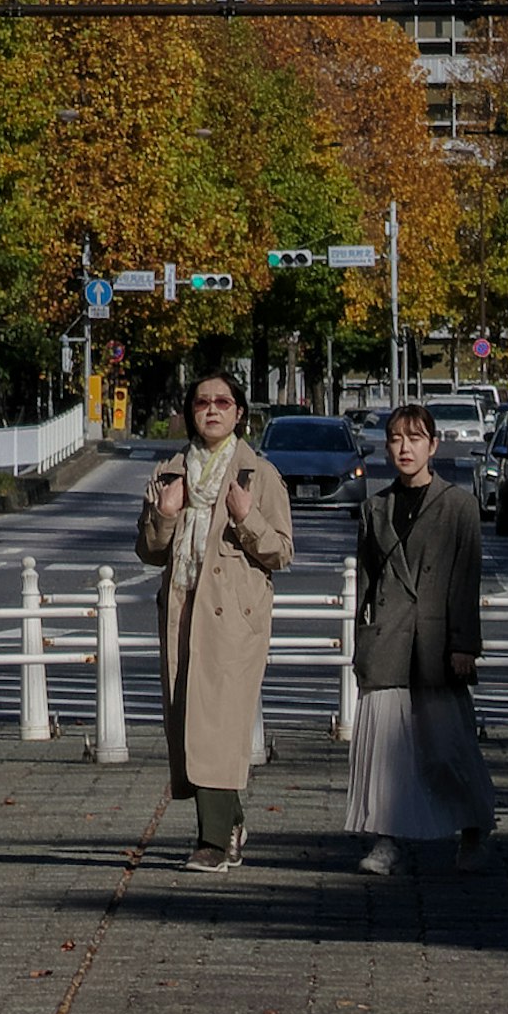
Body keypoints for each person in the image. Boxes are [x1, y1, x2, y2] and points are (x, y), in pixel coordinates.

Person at [135, 360, 293, 869]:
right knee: (187, 722)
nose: (211, 411)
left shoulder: (260, 474)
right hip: (182, 605)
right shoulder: (168, 474)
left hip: (234, 618)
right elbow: (148, 550)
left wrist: (247, 519)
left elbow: (282, 552)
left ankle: (212, 842)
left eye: (222, 403)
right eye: (202, 403)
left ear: (240, 413)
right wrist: (165, 514)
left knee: (218, 726)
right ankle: (232, 819)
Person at [348, 399, 496, 874]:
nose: (404, 448)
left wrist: (463, 646)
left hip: (436, 642)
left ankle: (474, 825)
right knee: (382, 747)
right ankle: (385, 839)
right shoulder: (375, 507)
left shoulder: (458, 506)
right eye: (396, 438)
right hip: (388, 637)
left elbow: (465, 580)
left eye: (414, 438)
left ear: (434, 445)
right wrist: (362, 647)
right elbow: (367, 586)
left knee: (447, 747)